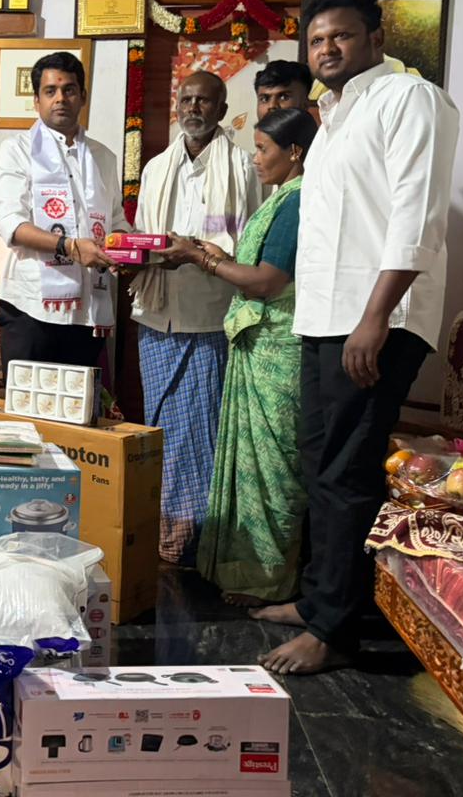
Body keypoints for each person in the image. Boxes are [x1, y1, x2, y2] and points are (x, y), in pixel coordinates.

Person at [255, 0, 459, 674]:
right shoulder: (335, 113)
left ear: (375, 36)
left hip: (375, 321)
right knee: (321, 463)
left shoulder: (411, 99)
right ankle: (322, 600)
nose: (327, 48)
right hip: (326, 318)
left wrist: (375, 318)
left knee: (345, 471)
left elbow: (416, 215)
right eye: (316, 40)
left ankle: (334, 631)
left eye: (340, 35)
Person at [156, 108, 318, 606]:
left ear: (294, 152)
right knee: (256, 467)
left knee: (272, 473)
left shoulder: (296, 201)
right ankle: (249, 572)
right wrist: (214, 256)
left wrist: (203, 259)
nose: (255, 159)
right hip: (258, 344)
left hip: (278, 349)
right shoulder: (282, 198)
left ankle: (269, 581)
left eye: (264, 149)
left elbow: (269, 281)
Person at [130, 72, 264, 565]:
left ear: (222, 108)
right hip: (157, 315)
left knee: (199, 430)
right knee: (160, 425)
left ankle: (192, 541)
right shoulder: (157, 169)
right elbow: (144, 234)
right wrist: (140, 253)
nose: (193, 107)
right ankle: (164, 526)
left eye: (204, 100)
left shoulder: (244, 169)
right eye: (185, 99)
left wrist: (198, 253)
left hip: (211, 318)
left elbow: (252, 243)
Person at [0, 52, 128, 374]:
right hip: (30, 307)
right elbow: (11, 224)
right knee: (28, 413)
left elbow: (115, 220)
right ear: (36, 101)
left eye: (69, 90)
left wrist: (138, 248)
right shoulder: (17, 151)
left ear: (83, 97)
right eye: (50, 91)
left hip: (86, 308)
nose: (60, 99)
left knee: (76, 415)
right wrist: (70, 247)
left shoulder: (102, 157)